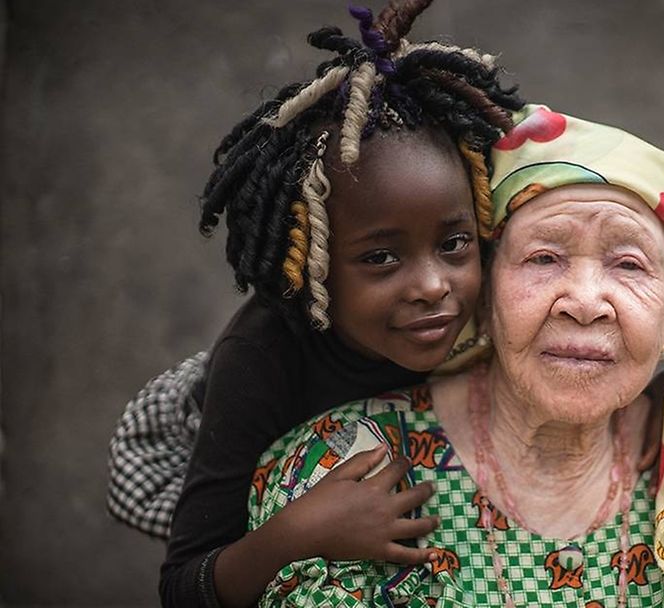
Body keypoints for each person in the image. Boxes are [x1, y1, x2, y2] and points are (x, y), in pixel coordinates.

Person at [246, 105, 664, 607]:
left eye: (629, 264)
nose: (586, 303)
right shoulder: (346, 471)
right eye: (544, 258)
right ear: (485, 296)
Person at [105, 2, 526, 606]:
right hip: (230, 474)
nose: (434, 285)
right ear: (312, 267)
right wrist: (297, 534)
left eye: (454, 244)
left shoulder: (494, 300)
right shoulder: (262, 357)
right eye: (381, 258)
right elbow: (183, 587)